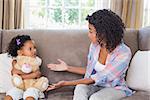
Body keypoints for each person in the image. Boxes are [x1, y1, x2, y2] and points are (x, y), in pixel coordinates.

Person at [47, 9, 133, 100]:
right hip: (95, 85)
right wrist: (67, 68)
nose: (88, 35)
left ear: (103, 33)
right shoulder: (95, 46)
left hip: (114, 88)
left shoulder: (124, 53)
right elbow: (90, 72)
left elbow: (99, 77)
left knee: (96, 98)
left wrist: (65, 83)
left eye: (91, 31)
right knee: (80, 87)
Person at [4, 35, 46, 100]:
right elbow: (14, 72)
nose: (34, 50)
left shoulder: (36, 60)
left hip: (32, 86)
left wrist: (23, 75)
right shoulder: (15, 61)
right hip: (20, 86)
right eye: (30, 49)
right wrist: (31, 74)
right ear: (20, 52)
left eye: (35, 48)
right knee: (11, 94)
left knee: (31, 94)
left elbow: (38, 74)